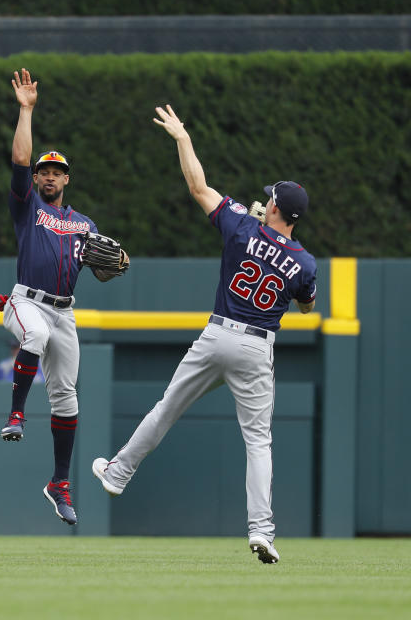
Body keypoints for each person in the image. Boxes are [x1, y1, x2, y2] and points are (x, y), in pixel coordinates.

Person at [91, 105, 317, 564]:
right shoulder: (306, 262)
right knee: (258, 442)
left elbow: (197, 185)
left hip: (217, 334)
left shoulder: (240, 224)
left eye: (271, 198)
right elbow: (307, 304)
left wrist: (182, 136)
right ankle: (262, 530)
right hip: (257, 345)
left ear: (274, 206)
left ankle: (117, 473)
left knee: (167, 408)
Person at [0, 68, 127, 526]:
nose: (48, 176)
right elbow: (18, 160)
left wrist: (110, 265)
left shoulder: (84, 224)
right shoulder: (26, 206)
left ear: (67, 179)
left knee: (67, 398)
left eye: (56, 172)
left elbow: (105, 271)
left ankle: (59, 482)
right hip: (26, 301)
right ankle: (15, 414)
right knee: (33, 334)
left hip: (65, 312)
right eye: (44, 171)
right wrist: (26, 110)